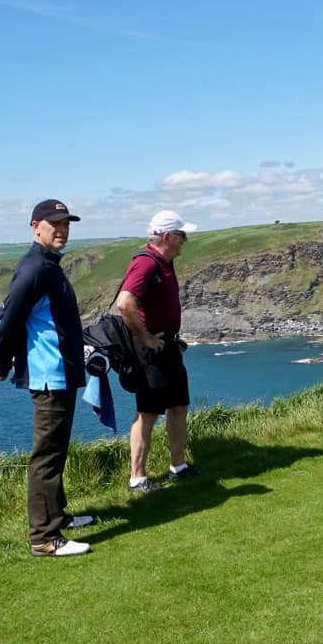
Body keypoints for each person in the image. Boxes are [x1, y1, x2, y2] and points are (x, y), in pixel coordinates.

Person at [0, 199, 94, 557]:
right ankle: (44, 538)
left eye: (66, 224)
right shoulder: (35, 268)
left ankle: (59, 517)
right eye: (55, 224)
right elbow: (9, 318)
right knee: (46, 456)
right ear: (36, 227)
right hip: (48, 376)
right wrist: (1, 362)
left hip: (61, 371)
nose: (62, 230)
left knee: (57, 450)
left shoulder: (49, 265)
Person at [116, 210, 201, 492]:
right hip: (151, 351)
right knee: (148, 411)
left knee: (179, 405)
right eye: (181, 235)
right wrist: (146, 338)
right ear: (167, 236)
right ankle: (137, 477)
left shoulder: (164, 262)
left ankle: (178, 466)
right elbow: (125, 303)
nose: (184, 241)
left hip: (168, 347)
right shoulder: (146, 264)